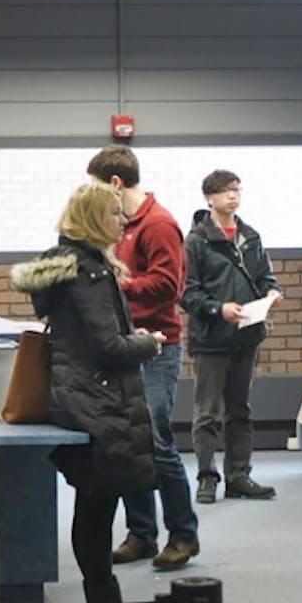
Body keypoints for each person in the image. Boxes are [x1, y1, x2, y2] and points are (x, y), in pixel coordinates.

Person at [10, 182, 162, 603]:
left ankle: (101, 597)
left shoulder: (66, 266)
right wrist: (150, 342)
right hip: (100, 401)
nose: (123, 220)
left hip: (77, 396)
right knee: (97, 510)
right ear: (95, 218)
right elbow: (109, 347)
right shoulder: (90, 272)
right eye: (115, 213)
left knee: (92, 505)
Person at [87, 144, 200, 570]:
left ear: (116, 183)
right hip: (126, 345)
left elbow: (169, 287)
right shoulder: (119, 224)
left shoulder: (158, 224)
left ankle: (184, 535)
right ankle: (142, 534)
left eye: (97, 186)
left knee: (155, 442)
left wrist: (117, 284)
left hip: (158, 346)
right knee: (129, 441)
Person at [181, 169, 281, 504]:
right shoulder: (196, 241)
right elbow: (188, 293)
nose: (233, 196)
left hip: (247, 335)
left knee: (240, 409)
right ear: (209, 197)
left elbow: (266, 276)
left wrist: (272, 293)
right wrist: (218, 309)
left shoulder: (251, 237)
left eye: (237, 190)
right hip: (211, 337)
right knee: (207, 412)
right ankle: (207, 477)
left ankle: (239, 476)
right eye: (226, 191)